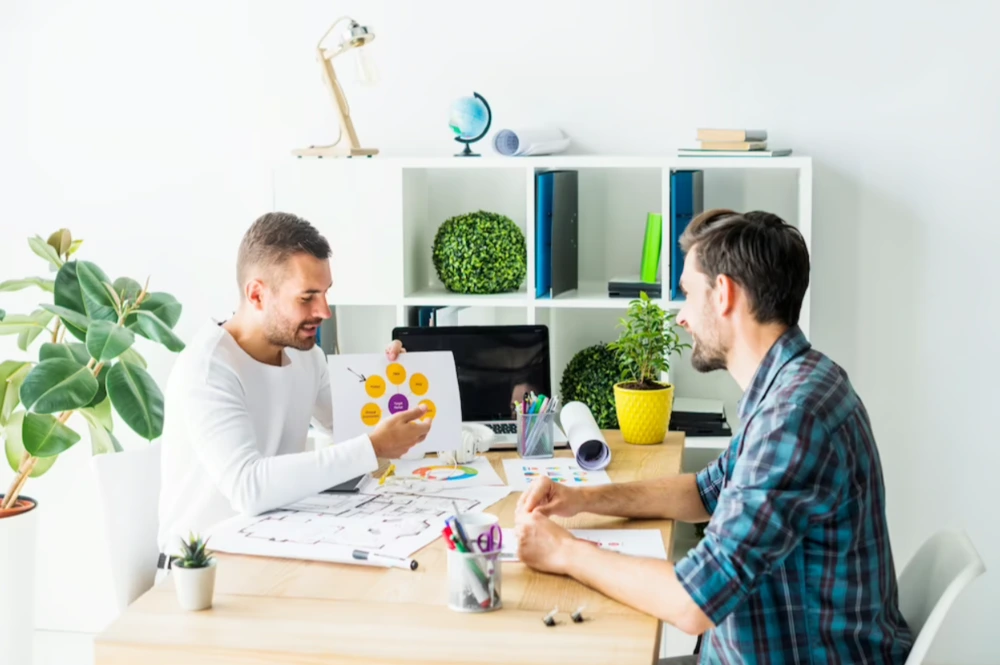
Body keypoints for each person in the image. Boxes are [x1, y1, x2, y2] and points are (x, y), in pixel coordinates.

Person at [515, 209, 913, 664]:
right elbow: (704, 492)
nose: (681, 317)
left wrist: (564, 551)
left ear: (723, 293)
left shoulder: (794, 416)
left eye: (687, 294)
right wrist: (580, 499)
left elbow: (693, 603)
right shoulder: (797, 381)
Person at [156, 212, 432, 565]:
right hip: (201, 570)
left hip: (275, 548)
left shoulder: (307, 357)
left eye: (326, 293)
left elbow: (364, 436)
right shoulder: (209, 369)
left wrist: (399, 383)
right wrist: (373, 445)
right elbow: (248, 488)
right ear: (257, 294)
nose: (325, 311)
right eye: (307, 298)